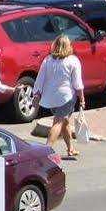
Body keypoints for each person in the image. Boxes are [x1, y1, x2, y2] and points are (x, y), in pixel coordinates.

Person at [38, 33, 86, 161]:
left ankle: (70, 148)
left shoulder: (48, 60)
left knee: (65, 122)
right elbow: (77, 83)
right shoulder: (73, 60)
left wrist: (37, 93)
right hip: (66, 96)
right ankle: (46, 150)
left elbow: (40, 78)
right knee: (59, 122)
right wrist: (82, 98)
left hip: (51, 98)